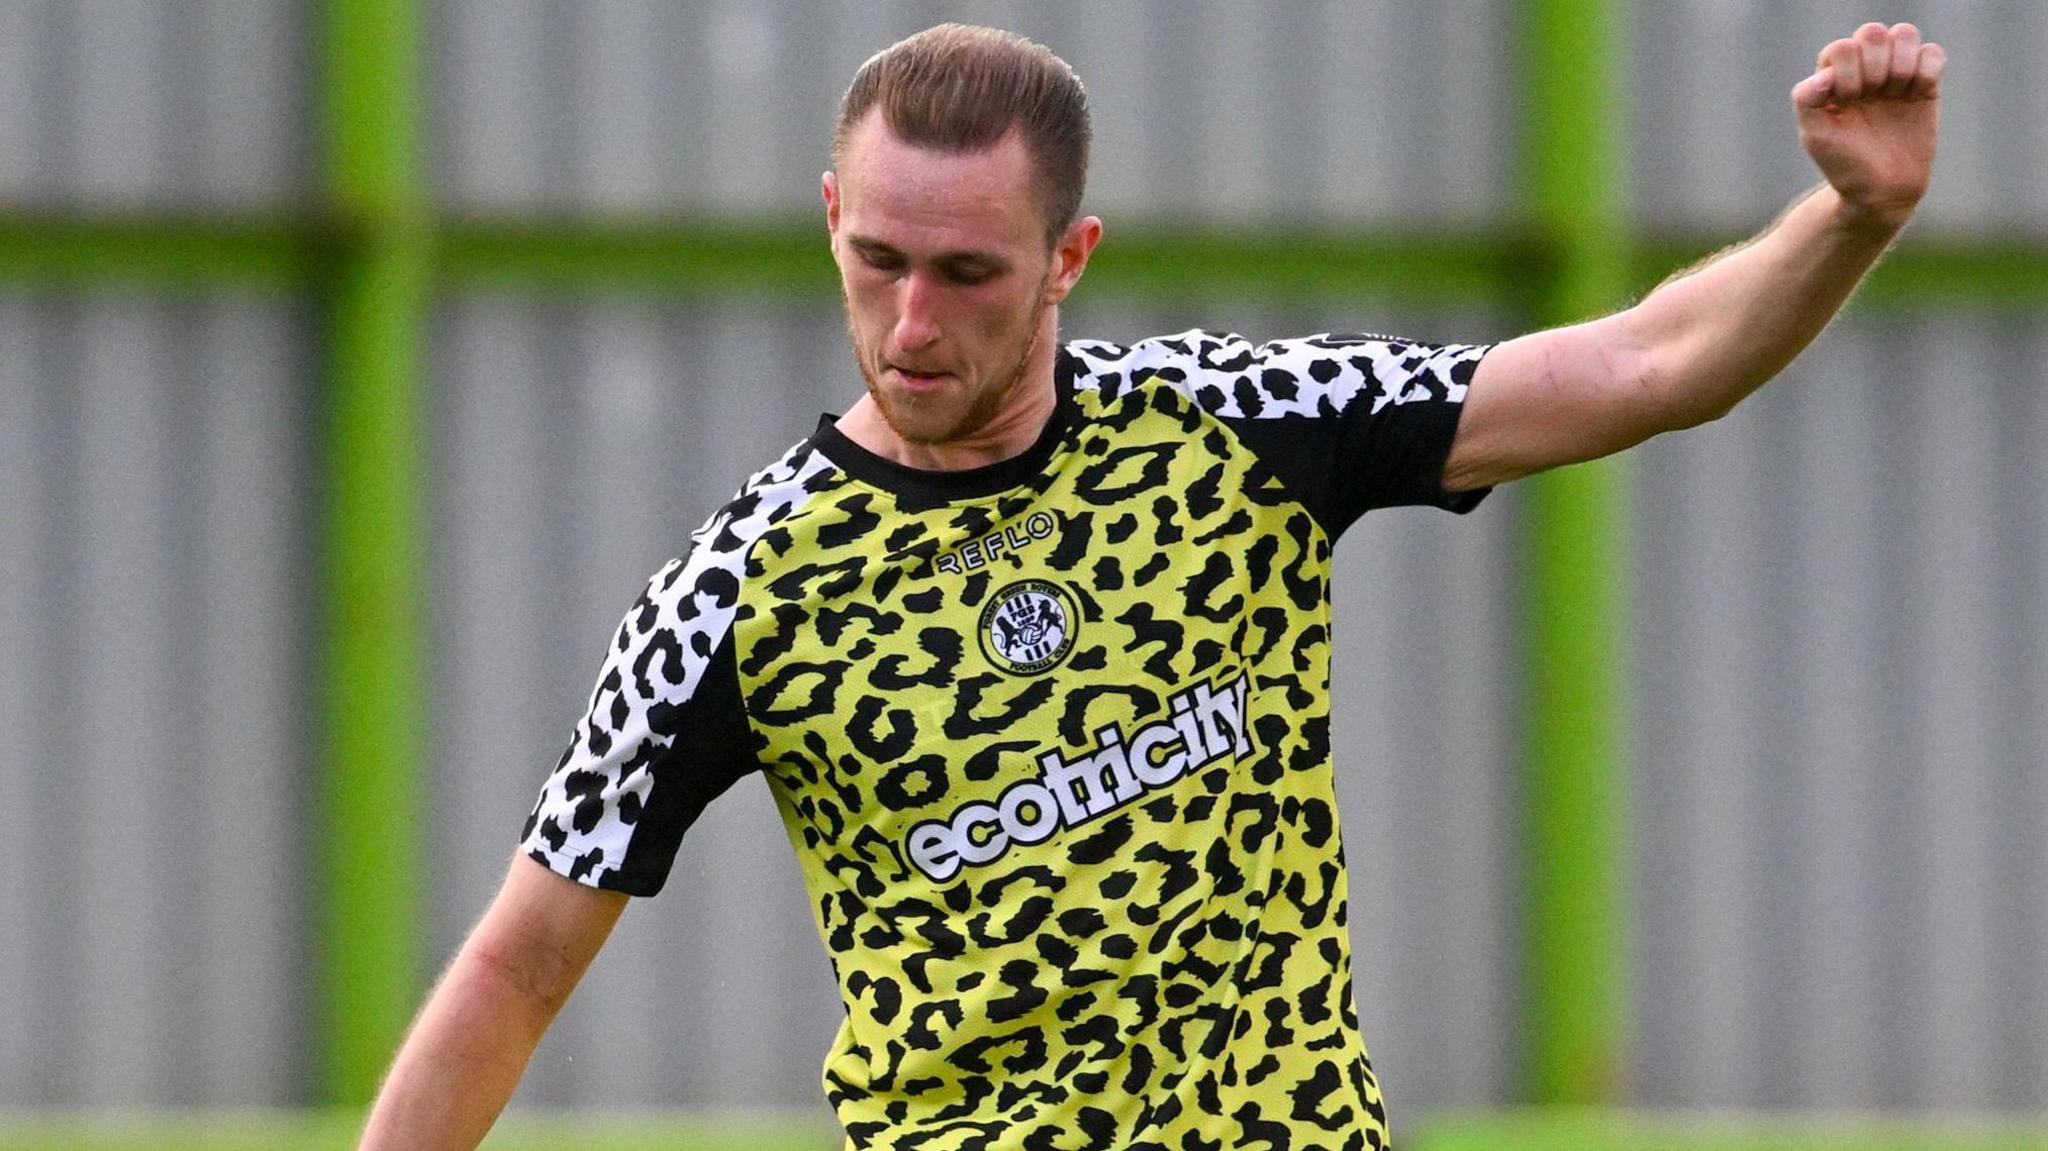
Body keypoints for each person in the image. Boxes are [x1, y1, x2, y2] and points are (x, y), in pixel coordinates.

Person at [359, 20, 1944, 1151]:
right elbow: (517, 961)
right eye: (877, 261)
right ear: (831, 219)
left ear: (1069, 256)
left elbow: (1644, 367)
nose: (912, 324)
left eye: (969, 273)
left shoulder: (1236, 425)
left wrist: (1852, 214)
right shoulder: (739, 591)